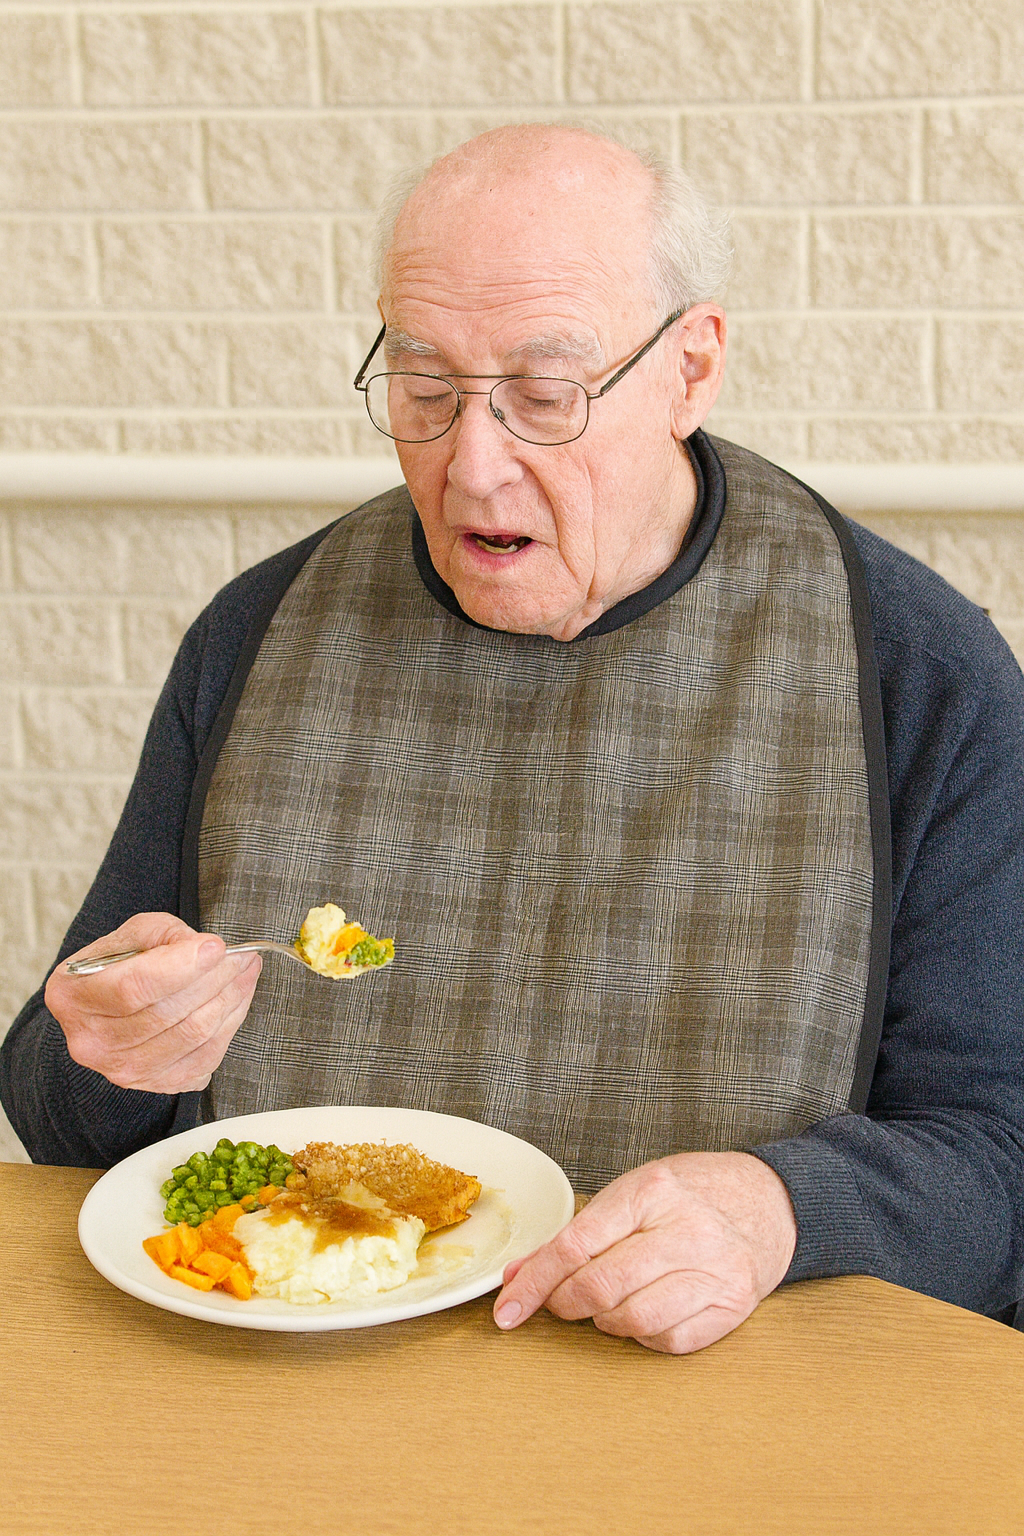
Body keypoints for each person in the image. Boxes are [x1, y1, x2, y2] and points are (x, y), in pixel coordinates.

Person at [3, 125, 1023, 1353]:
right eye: (425, 391)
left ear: (690, 370)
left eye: (545, 399)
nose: (472, 469)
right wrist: (113, 1049)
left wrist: (781, 1211)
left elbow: (997, 1157)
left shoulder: (914, 670)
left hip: (724, 1402)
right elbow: (60, 1108)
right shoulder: (260, 632)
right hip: (298, 1387)